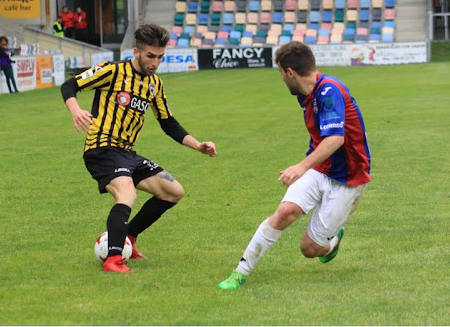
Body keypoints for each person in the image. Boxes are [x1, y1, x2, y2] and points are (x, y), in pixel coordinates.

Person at [60, 23, 217, 273]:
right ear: (136, 52)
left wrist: (198, 145)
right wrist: (76, 110)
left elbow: (168, 123)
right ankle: (113, 259)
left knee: (173, 191)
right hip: (101, 147)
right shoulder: (112, 71)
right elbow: (70, 85)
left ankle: (128, 239)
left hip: (126, 153)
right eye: (150, 56)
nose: (155, 63)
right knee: (127, 194)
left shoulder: (154, 84)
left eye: (160, 57)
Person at [218, 41, 371, 290]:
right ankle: (239, 273)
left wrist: (300, 166)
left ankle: (331, 244)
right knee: (284, 213)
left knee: (309, 249)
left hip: (348, 179)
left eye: (280, 73)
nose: (281, 79)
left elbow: (335, 138)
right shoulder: (305, 93)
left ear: (290, 72)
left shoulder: (329, 91)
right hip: (319, 169)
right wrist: (308, 167)